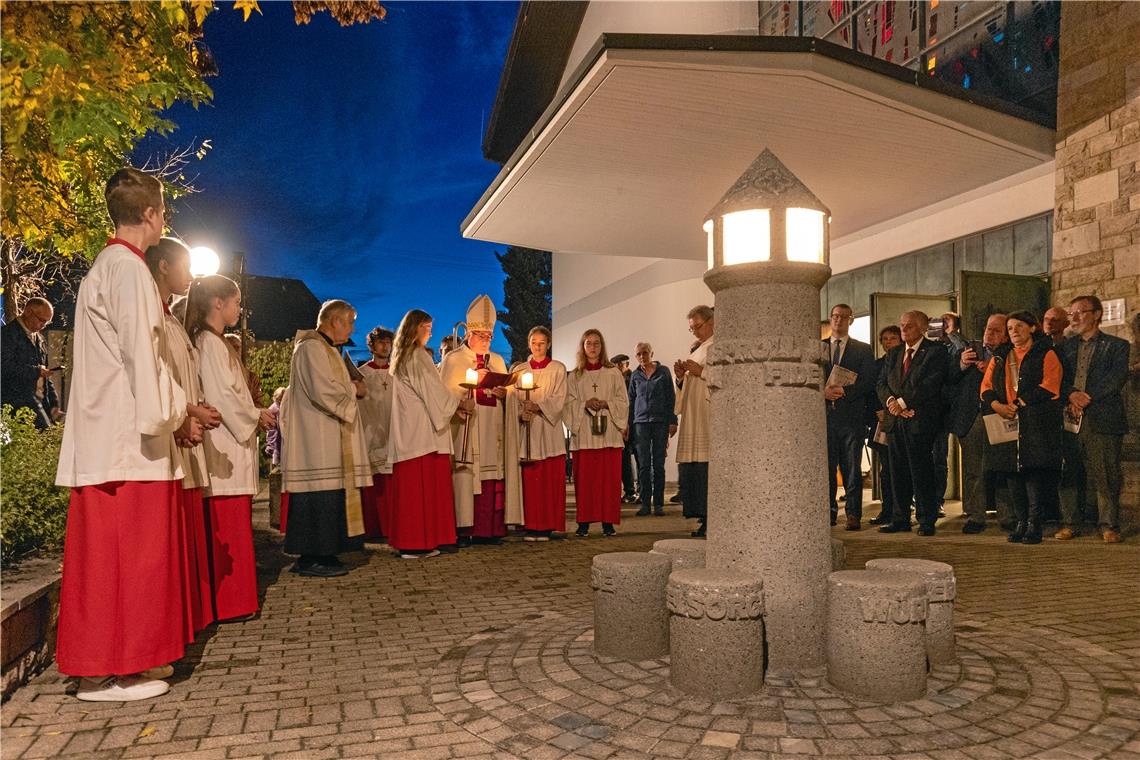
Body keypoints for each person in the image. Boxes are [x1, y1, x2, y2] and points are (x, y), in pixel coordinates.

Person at [55, 167, 202, 701]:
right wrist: (173, 415)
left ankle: (121, 662)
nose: (164, 218)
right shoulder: (130, 270)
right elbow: (144, 359)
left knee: (115, 558)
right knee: (127, 557)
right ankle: (109, 669)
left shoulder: (107, 266)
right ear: (149, 215)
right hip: (128, 444)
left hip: (115, 436)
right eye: (163, 210)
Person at [146, 238, 223, 640]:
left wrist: (196, 407)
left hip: (185, 427)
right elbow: (155, 374)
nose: (191, 275)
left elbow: (180, 376)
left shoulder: (172, 320)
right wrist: (185, 414)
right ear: (162, 267)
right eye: (184, 265)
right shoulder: (154, 316)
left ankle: (192, 614)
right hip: (173, 430)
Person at [186, 275, 274, 613]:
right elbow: (223, 396)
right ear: (217, 303)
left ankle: (234, 601)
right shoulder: (208, 343)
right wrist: (255, 415)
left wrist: (253, 412)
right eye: (236, 301)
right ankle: (229, 604)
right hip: (222, 446)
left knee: (235, 525)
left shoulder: (216, 342)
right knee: (227, 529)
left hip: (231, 440)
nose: (240, 307)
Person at [280, 300, 372, 574]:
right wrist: (354, 392)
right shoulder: (310, 347)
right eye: (350, 322)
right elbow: (322, 390)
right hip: (316, 439)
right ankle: (311, 558)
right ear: (336, 321)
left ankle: (327, 552)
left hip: (329, 435)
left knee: (330, 498)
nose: (352, 328)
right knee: (318, 498)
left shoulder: (327, 349)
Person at [386, 309, 471, 558]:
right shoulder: (418, 356)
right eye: (427, 327)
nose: (431, 331)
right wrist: (458, 403)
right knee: (419, 490)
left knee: (415, 490)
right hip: (421, 433)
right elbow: (432, 391)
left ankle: (419, 540)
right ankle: (416, 543)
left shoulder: (402, 356)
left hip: (409, 430)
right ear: (415, 328)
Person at [439, 295, 520, 545]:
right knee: (466, 477)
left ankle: (491, 529)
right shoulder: (454, 359)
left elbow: (510, 390)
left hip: (493, 428)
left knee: (493, 474)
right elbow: (445, 395)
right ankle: (465, 529)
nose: (486, 341)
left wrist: (504, 392)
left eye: (489, 336)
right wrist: (467, 392)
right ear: (468, 335)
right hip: (468, 428)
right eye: (481, 336)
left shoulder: (496, 360)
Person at [980, 311, 1063, 544]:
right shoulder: (1000, 357)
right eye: (1010, 328)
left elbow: (1051, 385)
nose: (1014, 331)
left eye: (1018, 326)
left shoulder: (1045, 352)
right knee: (1012, 474)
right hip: (1006, 419)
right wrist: (997, 405)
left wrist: (1019, 403)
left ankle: (1034, 524)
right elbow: (985, 386)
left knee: (1033, 473)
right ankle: (1020, 521)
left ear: (1032, 328)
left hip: (1035, 421)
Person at [1055, 295, 1130, 543]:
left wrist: (1088, 397)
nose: (1074, 317)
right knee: (1070, 470)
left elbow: (1116, 378)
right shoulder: (1064, 347)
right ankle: (1070, 522)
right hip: (1070, 416)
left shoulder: (1117, 345)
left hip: (1102, 417)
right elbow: (1057, 378)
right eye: (1071, 312)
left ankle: (1108, 525)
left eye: (1080, 312)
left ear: (1097, 314)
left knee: (1105, 473)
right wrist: (1072, 394)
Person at [876, 310, 948, 536]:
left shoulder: (935, 352)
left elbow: (931, 383)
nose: (903, 330)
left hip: (920, 421)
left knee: (921, 471)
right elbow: (881, 382)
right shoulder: (894, 353)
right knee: (897, 472)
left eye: (909, 326)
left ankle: (926, 519)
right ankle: (900, 518)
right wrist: (891, 402)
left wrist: (904, 402)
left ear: (922, 328)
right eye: (902, 325)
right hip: (895, 422)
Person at [947, 313, 1010, 534]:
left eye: (996, 330)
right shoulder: (967, 350)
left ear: (1005, 336)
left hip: (999, 415)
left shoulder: (1009, 354)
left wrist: (993, 371)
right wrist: (962, 365)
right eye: (988, 329)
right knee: (973, 469)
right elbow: (948, 378)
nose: (990, 334)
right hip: (970, 416)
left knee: (1003, 466)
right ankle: (975, 515)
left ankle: (1007, 515)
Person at [565, 329, 628, 537]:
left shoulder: (613, 373)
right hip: (584, 433)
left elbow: (623, 401)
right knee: (585, 482)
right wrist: (586, 403)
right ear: (583, 347)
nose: (592, 347)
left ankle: (608, 523)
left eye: (596, 344)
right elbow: (568, 403)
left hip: (608, 432)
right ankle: (583, 522)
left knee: (608, 481)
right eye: (588, 343)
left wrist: (606, 403)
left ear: (602, 347)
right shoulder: (575, 376)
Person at [510, 326, 569, 540]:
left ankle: (546, 525)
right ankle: (530, 525)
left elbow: (559, 398)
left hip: (548, 429)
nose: (537, 346)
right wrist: (520, 410)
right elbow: (513, 398)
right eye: (534, 342)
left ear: (549, 344)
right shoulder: (519, 371)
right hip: (528, 429)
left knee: (548, 480)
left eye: (542, 342)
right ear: (528, 343)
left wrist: (537, 407)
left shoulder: (558, 369)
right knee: (531, 480)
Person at [822, 304, 876, 530]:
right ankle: (828, 513)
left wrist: (845, 391)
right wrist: (822, 391)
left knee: (851, 467)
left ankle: (853, 514)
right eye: (835, 316)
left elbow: (868, 381)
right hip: (825, 415)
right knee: (826, 468)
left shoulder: (862, 349)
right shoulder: (819, 347)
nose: (838, 320)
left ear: (850, 320)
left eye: (843, 317)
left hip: (851, 416)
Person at [675, 306, 715, 537]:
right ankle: (701, 515)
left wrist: (701, 371)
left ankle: (710, 517)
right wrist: (681, 377)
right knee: (694, 467)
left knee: (705, 465)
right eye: (691, 329)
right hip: (693, 414)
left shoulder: (720, 346)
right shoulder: (699, 348)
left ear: (711, 321)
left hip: (707, 415)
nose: (695, 333)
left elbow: (727, 378)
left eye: (697, 327)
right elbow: (688, 385)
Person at [627, 342, 677, 516]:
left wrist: (673, 421)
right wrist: (629, 425)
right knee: (643, 465)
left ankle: (658, 504)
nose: (642, 356)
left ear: (651, 353)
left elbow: (671, 397)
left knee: (659, 464)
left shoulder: (663, 372)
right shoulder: (635, 375)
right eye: (639, 354)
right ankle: (645, 503)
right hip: (640, 423)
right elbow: (631, 401)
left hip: (660, 422)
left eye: (645, 353)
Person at [358, 326, 396, 540]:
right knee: (373, 484)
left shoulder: (397, 372)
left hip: (392, 433)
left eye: (388, 343)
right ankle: (372, 529)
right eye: (381, 342)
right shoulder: (362, 373)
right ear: (371, 345)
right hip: (370, 433)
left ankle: (391, 526)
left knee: (391, 485)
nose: (385, 346)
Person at [1, 297, 61, 429]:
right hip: (16, 403)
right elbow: (4, 368)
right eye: (41, 320)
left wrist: (54, 403)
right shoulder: (6, 335)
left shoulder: (39, 339)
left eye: (47, 322)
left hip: (39, 402)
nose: (43, 325)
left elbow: (45, 374)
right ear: (28, 311)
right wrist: (36, 371)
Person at [867, 325, 902, 526]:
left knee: (902, 468)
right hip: (882, 422)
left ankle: (903, 509)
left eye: (893, 338)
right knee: (886, 469)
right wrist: (877, 411)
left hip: (904, 418)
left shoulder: (907, 360)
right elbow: (872, 390)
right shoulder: (877, 364)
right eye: (885, 339)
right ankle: (887, 509)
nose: (888, 342)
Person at [611, 353, 638, 504]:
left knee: (637, 458)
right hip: (620, 424)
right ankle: (629, 490)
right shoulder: (614, 379)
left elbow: (631, 403)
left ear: (626, 365)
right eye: (615, 366)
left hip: (632, 423)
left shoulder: (633, 378)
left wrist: (627, 423)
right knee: (624, 458)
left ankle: (635, 491)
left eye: (620, 365)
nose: (617, 368)